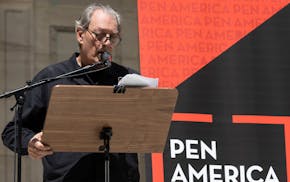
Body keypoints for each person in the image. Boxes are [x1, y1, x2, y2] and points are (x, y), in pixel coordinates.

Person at [2, 3, 140, 182]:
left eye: (112, 37)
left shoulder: (129, 79)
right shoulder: (52, 78)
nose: (106, 43)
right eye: (99, 35)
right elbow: (12, 131)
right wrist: (30, 142)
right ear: (80, 34)